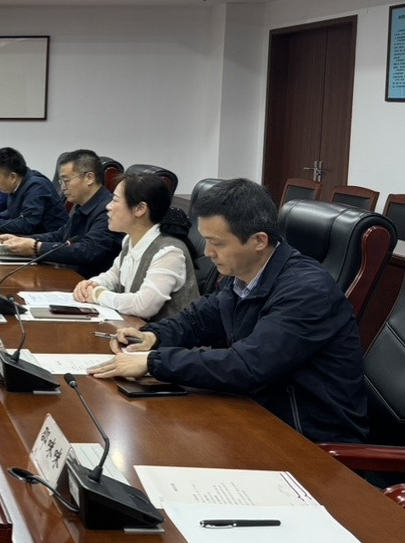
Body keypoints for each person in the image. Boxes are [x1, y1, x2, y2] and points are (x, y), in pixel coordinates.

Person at [90, 178, 368, 445]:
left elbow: (248, 365)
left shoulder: (307, 291)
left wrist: (153, 362)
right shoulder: (244, 276)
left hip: (308, 442)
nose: (208, 252)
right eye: (206, 240)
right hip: (254, 414)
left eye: (218, 243)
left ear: (259, 240)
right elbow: (199, 320)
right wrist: (152, 336)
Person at [72, 172, 198, 322]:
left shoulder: (169, 252)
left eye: (115, 200)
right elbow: (114, 276)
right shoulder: (130, 239)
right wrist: (92, 284)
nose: (108, 206)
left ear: (140, 209)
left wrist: (97, 294)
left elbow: (144, 306)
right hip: (134, 329)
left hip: (165, 335)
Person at [0, 148, 119, 277]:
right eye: (61, 182)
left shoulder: (108, 209)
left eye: (66, 180)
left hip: (88, 282)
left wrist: (36, 247)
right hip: (70, 274)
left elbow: (88, 251)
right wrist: (23, 240)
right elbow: (60, 235)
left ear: (89, 178)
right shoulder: (82, 205)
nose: (63, 187)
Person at [0, 147, 67, 235]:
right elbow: (13, 213)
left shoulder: (36, 186)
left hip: (51, 243)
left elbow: (27, 224)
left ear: (12, 177)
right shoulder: (18, 183)